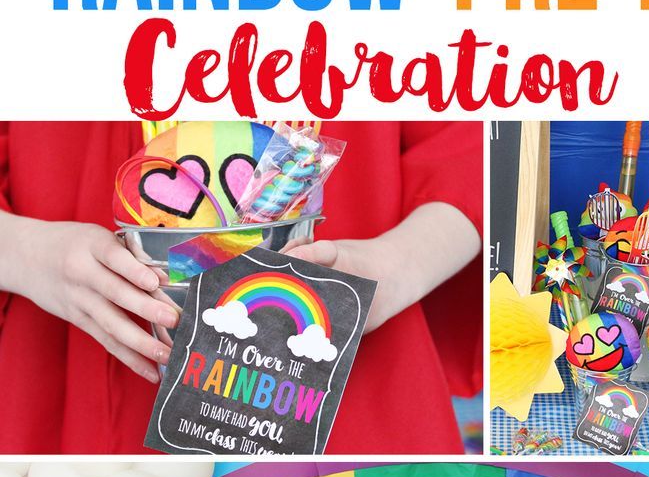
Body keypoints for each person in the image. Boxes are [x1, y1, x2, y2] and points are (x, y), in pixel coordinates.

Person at [0, 121, 481, 454]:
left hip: (347, 370)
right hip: (75, 373)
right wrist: (25, 252)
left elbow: (478, 147)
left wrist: (396, 265)